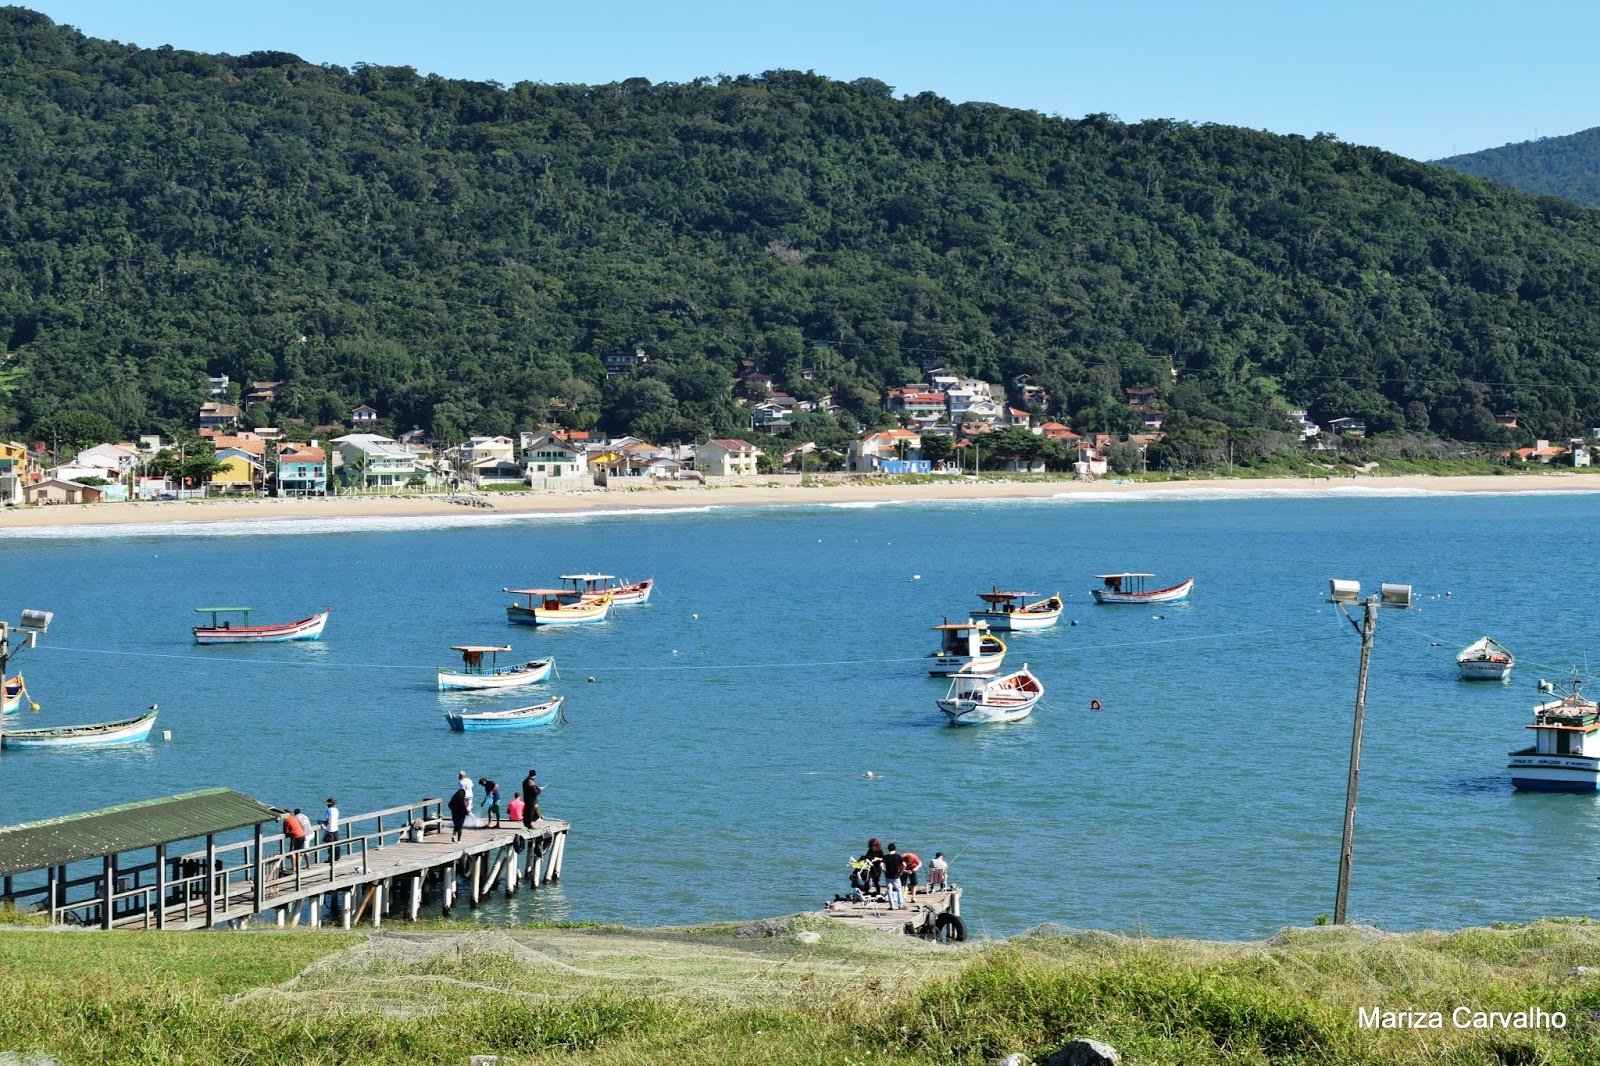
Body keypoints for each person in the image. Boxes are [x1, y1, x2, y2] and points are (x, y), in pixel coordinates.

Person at [882, 843, 905, 908]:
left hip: (888, 876)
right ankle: (900, 904)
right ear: (895, 848)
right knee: (899, 890)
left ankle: (892, 906)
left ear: (888, 849)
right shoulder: (898, 856)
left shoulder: (885, 856)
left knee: (889, 890)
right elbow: (904, 865)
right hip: (896, 876)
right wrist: (901, 872)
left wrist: (884, 871)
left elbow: (881, 865)